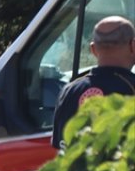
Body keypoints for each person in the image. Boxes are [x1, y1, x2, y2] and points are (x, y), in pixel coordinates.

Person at [51, 16, 135, 150]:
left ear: (93, 49)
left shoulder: (69, 91)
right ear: (133, 46)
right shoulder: (131, 89)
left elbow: (62, 152)